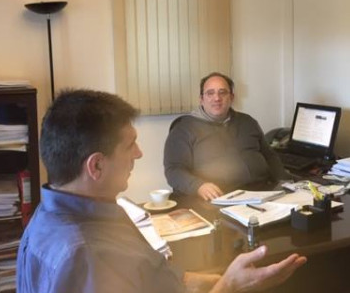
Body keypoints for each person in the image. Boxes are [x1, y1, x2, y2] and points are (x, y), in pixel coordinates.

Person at [17, 89, 306, 293]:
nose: (139, 153)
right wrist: (229, 286)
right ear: (96, 166)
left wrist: (217, 279)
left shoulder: (55, 214)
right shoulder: (87, 255)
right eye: (130, 145)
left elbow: (153, 278)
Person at [164, 72, 288, 201]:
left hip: (262, 192)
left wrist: (286, 181)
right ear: (201, 99)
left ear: (231, 97)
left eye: (222, 92)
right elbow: (173, 170)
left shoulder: (247, 122)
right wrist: (198, 186)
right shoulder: (184, 128)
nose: (217, 98)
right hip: (218, 198)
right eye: (210, 93)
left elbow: (269, 156)